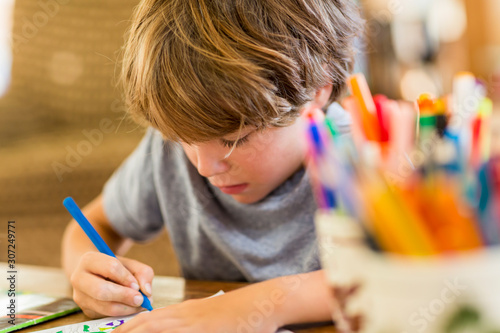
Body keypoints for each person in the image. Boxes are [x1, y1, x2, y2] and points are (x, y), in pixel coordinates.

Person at [61, 0, 362, 332]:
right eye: (181, 139)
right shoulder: (173, 145)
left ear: (319, 91)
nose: (204, 166)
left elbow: (409, 278)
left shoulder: (366, 156)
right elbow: (92, 225)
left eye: (235, 140)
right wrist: (92, 276)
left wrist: (259, 306)